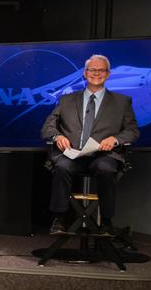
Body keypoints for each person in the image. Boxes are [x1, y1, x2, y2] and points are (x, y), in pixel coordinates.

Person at [41, 54, 139, 235]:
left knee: (107, 169)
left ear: (108, 74)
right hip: (72, 155)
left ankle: (107, 221)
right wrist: (57, 137)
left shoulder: (122, 102)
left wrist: (115, 139)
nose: (97, 73)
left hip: (103, 155)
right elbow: (47, 127)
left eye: (101, 70)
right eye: (92, 70)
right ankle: (60, 219)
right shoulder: (66, 99)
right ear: (85, 73)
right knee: (62, 166)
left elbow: (132, 131)